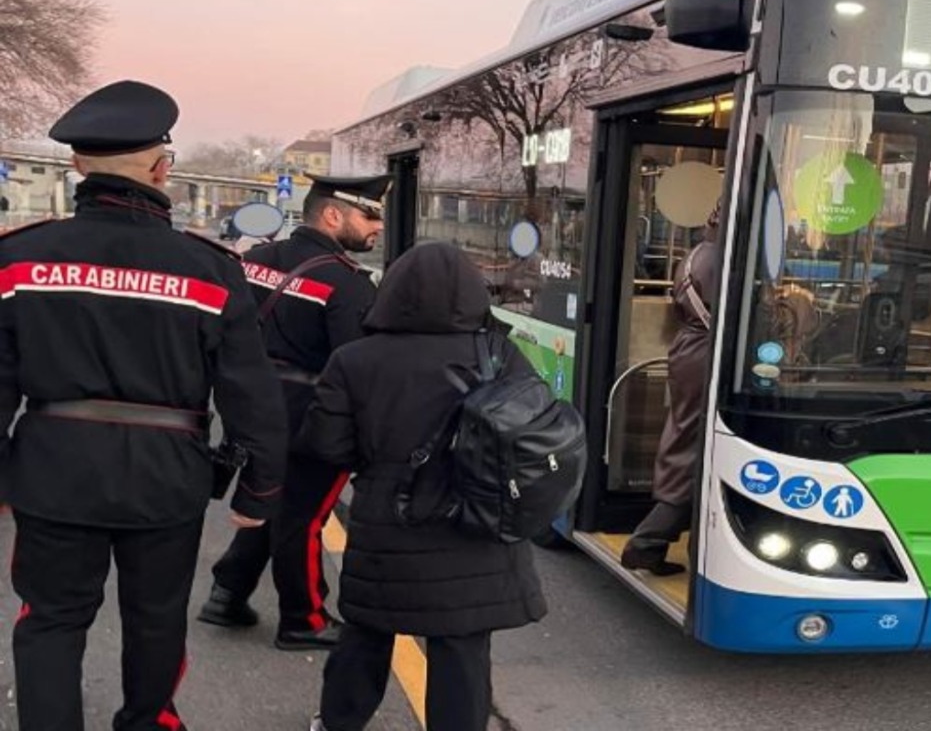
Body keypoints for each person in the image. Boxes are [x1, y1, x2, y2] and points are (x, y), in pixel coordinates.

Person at [0, 79, 288, 731]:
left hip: (53, 473)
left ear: (75, 165)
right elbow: (252, 393)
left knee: (49, 620)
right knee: (156, 620)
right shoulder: (211, 271)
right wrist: (258, 492)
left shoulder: (18, 258)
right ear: (161, 168)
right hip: (167, 478)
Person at [298, 242, 546, 731]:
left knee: (367, 631)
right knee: (462, 644)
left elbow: (327, 445)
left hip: (387, 518)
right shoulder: (498, 355)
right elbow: (532, 432)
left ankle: (338, 721)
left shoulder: (354, 360)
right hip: (476, 520)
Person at [198, 171, 391, 650]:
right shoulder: (347, 284)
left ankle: (227, 592)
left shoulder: (250, 262)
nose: (378, 227)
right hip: (312, 418)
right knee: (303, 519)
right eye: (369, 215)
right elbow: (358, 370)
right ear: (332, 214)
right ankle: (304, 618)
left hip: (250, 409)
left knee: (273, 502)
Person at [621, 200, 721, 575]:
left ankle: (659, 545)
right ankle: (647, 542)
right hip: (706, 352)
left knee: (687, 436)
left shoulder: (698, 253)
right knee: (694, 442)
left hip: (691, 349)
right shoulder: (719, 258)